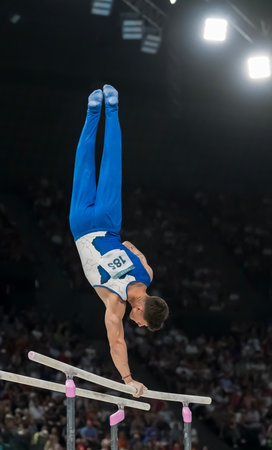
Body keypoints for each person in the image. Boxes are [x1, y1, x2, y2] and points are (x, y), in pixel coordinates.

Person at [69, 84, 169, 397]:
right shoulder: (116, 302)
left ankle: (111, 106)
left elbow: (130, 248)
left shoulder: (147, 274)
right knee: (84, 165)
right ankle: (93, 110)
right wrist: (127, 380)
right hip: (82, 226)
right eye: (141, 323)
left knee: (113, 164)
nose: (137, 326)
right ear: (140, 309)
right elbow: (116, 340)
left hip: (110, 224)